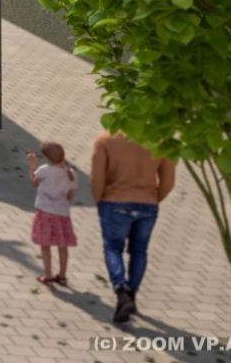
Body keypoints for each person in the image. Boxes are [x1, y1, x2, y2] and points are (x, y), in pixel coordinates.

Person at [92, 130, 176, 324]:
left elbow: (97, 177)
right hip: (147, 202)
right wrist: (154, 198)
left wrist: (100, 201)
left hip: (115, 201)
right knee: (139, 251)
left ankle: (121, 290)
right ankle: (132, 292)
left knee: (113, 247)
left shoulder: (105, 139)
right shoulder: (162, 139)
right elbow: (168, 182)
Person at [27, 141, 78, 286]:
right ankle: (62, 275)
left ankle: (48, 274)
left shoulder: (44, 170)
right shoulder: (71, 173)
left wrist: (32, 165)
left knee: (45, 244)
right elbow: (70, 195)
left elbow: (34, 182)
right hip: (62, 214)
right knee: (62, 246)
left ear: (47, 157)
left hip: (45, 212)